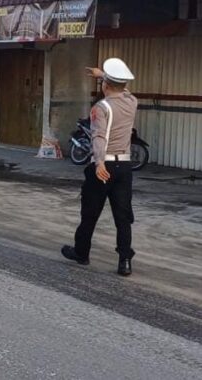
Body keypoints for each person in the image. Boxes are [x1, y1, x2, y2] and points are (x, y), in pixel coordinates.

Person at [61, 58, 138, 276]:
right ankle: (125, 261)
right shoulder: (132, 102)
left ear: (106, 86)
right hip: (124, 167)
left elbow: (99, 137)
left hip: (104, 166)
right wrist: (104, 75)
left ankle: (82, 253)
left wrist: (100, 162)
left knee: (90, 212)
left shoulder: (101, 108)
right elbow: (123, 89)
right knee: (123, 216)